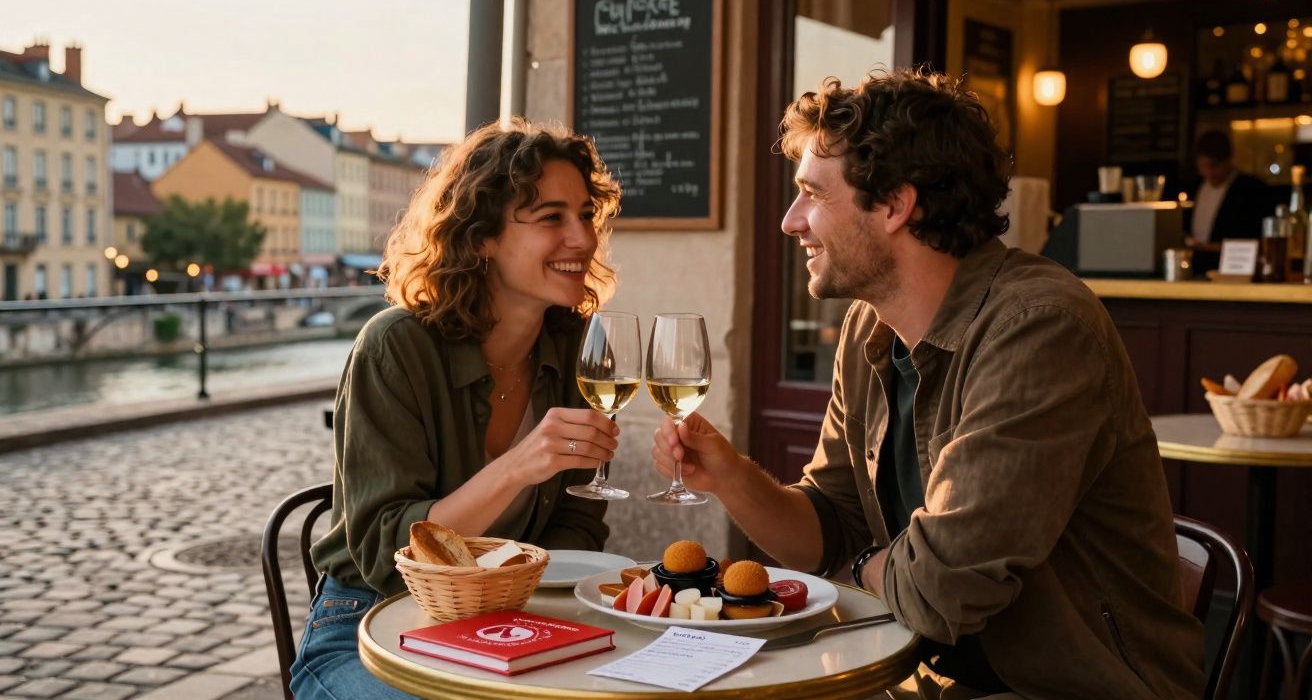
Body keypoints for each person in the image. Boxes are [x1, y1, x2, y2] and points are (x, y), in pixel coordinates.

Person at [651, 69, 1205, 699]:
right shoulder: (871, 325)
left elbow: (940, 591)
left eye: (812, 194)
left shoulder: (1039, 329)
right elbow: (828, 530)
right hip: (923, 679)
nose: (789, 221)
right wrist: (730, 475)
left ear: (894, 203)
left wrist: (859, 568)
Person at [291, 120, 623, 699]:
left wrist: (516, 611)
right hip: (367, 631)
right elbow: (381, 553)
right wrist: (518, 466)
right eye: (552, 218)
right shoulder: (396, 346)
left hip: (508, 623)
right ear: (480, 239)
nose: (583, 239)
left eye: (585, 215)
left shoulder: (580, 348)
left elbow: (580, 521)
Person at [1188, 129, 1274, 243]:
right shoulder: (1195, 186)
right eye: (1202, 166)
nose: (1208, 172)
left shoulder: (1252, 190)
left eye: (1214, 166)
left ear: (1228, 160)